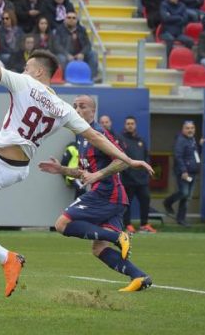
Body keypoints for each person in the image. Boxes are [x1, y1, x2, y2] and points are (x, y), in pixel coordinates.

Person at [0, 52, 154, 296]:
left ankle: (7, 259)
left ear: (38, 71)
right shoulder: (62, 107)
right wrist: (128, 159)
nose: (23, 70)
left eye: (27, 67)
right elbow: (96, 136)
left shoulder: (24, 82)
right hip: (8, 159)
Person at [39, 95, 153, 292]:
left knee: (61, 224)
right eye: (74, 106)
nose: (77, 110)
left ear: (93, 111)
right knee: (98, 248)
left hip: (107, 193)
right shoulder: (81, 136)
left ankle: (117, 237)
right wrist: (62, 170)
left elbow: (122, 161)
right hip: (112, 197)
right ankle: (140, 277)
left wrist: (98, 175)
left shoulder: (99, 133)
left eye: (82, 106)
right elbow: (85, 173)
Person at [119, 116, 155, 234]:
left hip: (142, 179)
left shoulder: (141, 140)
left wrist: (145, 172)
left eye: (132, 123)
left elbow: (146, 157)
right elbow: (120, 158)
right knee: (127, 203)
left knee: (146, 199)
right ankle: (127, 224)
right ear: (125, 125)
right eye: (128, 123)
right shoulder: (121, 139)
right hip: (128, 179)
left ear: (135, 125)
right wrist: (127, 172)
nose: (130, 125)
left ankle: (144, 224)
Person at [164, 120, 203, 227]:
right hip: (184, 172)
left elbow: (194, 154)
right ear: (183, 129)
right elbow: (178, 156)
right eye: (187, 128)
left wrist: (200, 146)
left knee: (187, 197)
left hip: (193, 172)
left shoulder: (192, 140)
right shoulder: (181, 140)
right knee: (184, 193)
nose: (190, 130)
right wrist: (183, 171)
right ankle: (167, 202)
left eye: (192, 128)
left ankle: (181, 219)